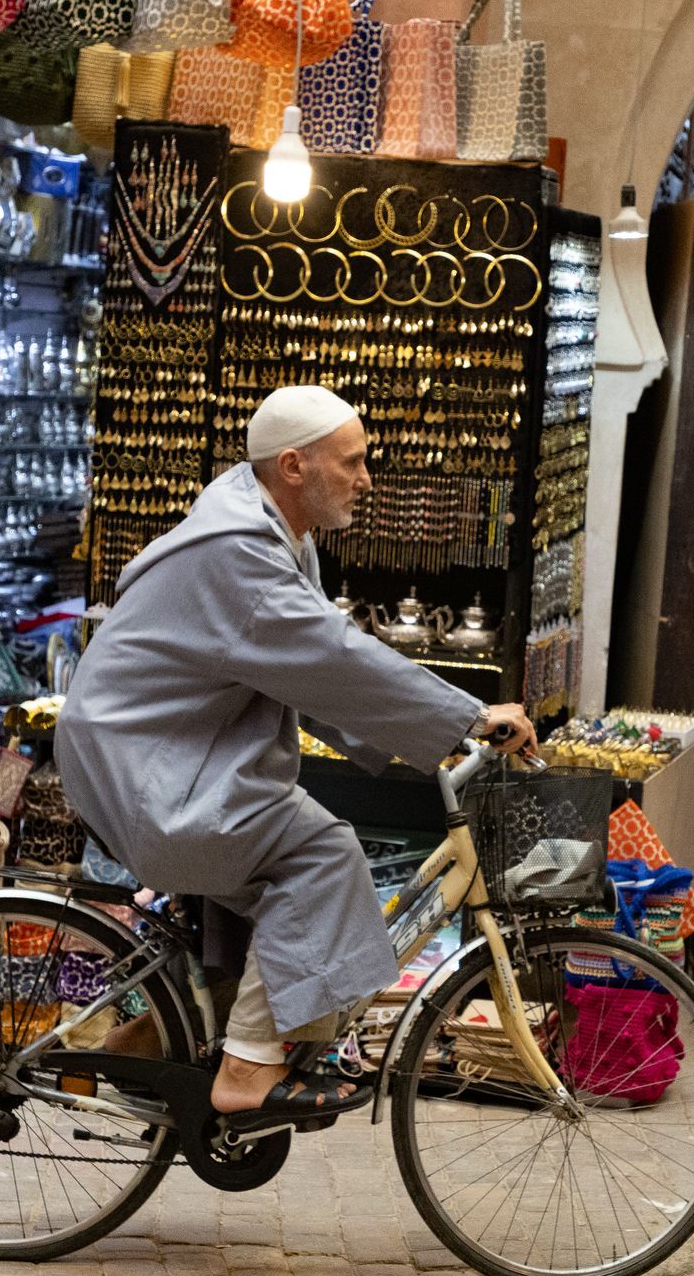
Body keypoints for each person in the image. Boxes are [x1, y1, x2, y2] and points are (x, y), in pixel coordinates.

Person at [55, 385, 536, 1128]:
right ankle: (247, 1073)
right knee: (322, 856)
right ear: (292, 465)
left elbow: (311, 672)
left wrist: (428, 734)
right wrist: (466, 715)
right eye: (354, 462)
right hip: (145, 769)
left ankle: (153, 1045)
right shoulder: (241, 553)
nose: (366, 479)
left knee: (270, 889)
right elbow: (333, 659)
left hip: (170, 753)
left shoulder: (271, 529)